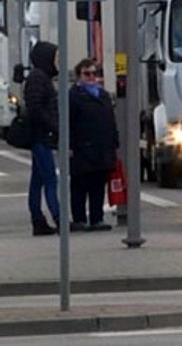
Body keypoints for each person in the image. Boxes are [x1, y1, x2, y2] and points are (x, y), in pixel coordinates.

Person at [68, 58, 118, 231]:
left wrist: (114, 142)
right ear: (79, 76)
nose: (91, 77)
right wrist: (70, 146)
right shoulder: (73, 96)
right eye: (86, 73)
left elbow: (111, 121)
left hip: (102, 148)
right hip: (82, 149)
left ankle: (97, 218)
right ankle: (79, 219)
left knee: (98, 186)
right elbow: (68, 123)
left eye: (93, 73)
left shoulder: (102, 95)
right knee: (80, 186)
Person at [23, 41, 61, 236]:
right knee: (50, 179)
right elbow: (36, 109)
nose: (58, 62)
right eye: (56, 57)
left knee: (38, 180)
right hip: (41, 136)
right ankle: (58, 217)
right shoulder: (39, 79)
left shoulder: (40, 77)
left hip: (41, 135)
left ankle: (38, 219)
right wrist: (55, 127)